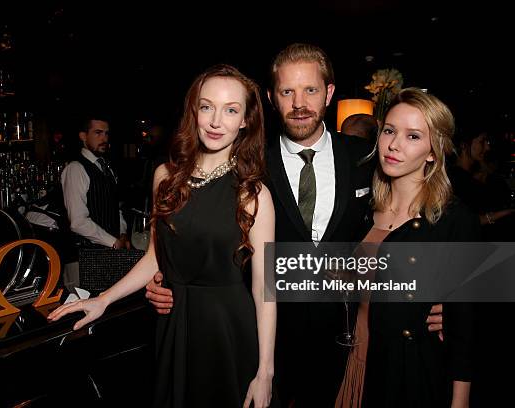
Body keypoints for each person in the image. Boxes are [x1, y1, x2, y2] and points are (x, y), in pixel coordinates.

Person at [145, 43, 445, 407]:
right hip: (263, 339)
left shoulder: (366, 158)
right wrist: (165, 280)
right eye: (288, 92)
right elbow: (197, 230)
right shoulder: (245, 167)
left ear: (329, 94)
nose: (299, 103)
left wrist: (446, 295)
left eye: (311, 90)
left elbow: (414, 217)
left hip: (346, 338)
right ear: (271, 98)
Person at [49, 64, 277, 408]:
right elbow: (156, 255)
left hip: (227, 329)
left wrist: (265, 372)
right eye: (206, 106)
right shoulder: (164, 177)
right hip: (174, 325)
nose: (216, 121)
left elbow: (265, 288)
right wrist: (103, 299)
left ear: (245, 120)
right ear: (194, 111)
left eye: (231, 110)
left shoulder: (253, 193)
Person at [345, 88, 476, 408]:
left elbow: (467, 333)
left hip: (407, 374)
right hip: (351, 363)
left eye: (413, 136)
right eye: (389, 131)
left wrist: (459, 402)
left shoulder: (453, 221)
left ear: (433, 151)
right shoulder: (359, 209)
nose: (394, 145)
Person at [60, 116, 130, 291]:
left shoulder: (107, 167)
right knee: (82, 313)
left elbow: (116, 207)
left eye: (106, 134)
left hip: (109, 255)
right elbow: (77, 222)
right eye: (98, 133)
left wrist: (122, 233)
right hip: (83, 258)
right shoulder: (76, 169)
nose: (104, 139)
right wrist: (113, 242)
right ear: (83, 136)